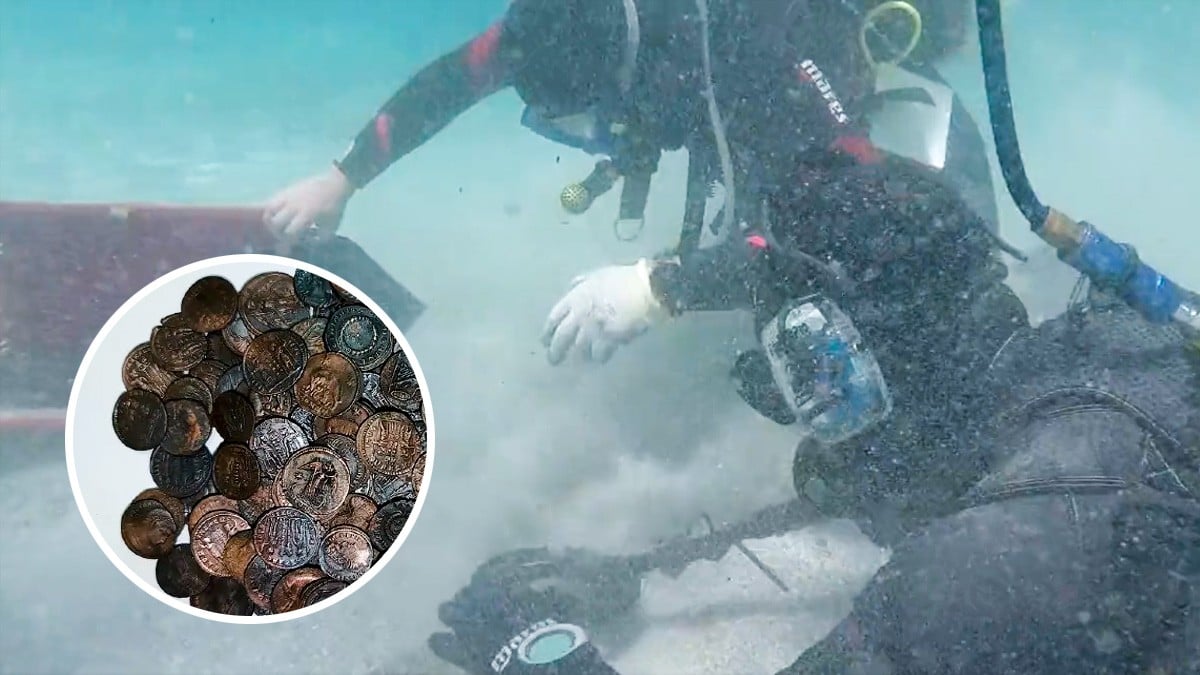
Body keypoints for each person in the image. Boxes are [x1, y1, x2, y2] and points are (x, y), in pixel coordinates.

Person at [261, 0, 1004, 257]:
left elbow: (841, 189)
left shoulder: (752, 45)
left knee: (842, 234)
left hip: (849, 107)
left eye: (580, 117)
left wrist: (661, 289)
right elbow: (455, 79)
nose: (588, 138)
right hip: (770, 125)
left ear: (614, 75)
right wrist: (343, 176)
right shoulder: (551, 27)